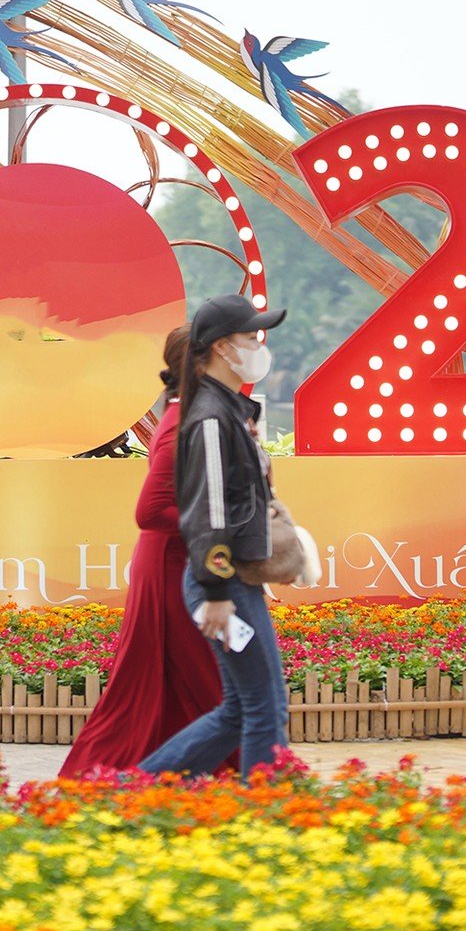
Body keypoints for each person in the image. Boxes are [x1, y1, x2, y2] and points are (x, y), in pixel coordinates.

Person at [59, 326, 232, 777]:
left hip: (177, 561)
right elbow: (151, 510)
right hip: (171, 567)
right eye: (223, 352)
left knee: (178, 678)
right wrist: (221, 522)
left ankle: (182, 772)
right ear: (199, 366)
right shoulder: (179, 427)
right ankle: (122, 771)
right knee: (181, 677)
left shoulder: (188, 416)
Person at [138, 294, 291, 778]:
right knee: (265, 705)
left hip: (232, 581)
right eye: (251, 337)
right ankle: (269, 810)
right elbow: (207, 514)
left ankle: (128, 790)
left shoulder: (225, 409)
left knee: (241, 709)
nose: (258, 347)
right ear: (223, 347)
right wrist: (219, 591)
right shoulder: (208, 417)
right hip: (225, 584)